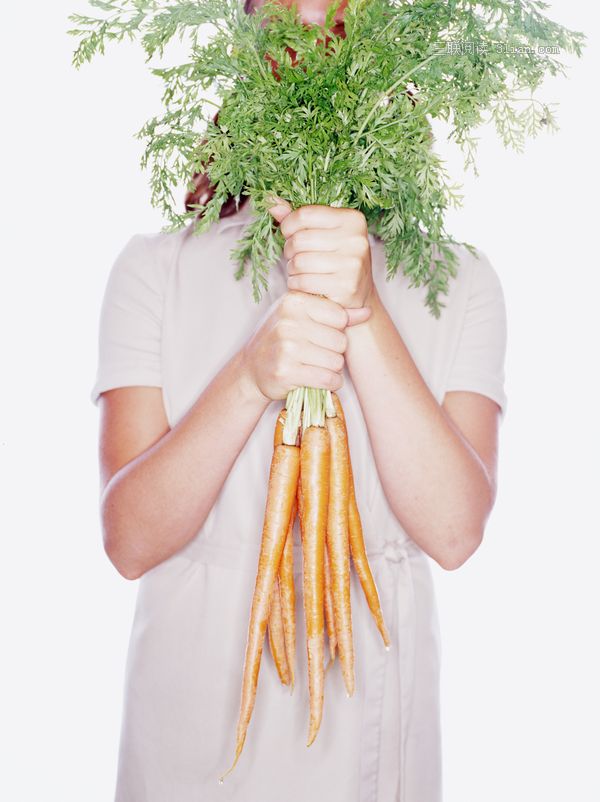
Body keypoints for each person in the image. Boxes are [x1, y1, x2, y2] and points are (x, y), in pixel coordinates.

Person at [90, 1, 508, 800]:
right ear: (243, 60)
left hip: (375, 721)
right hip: (194, 717)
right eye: (283, 32)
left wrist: (364, 309)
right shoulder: (154, 270)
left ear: (393, 66)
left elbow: (455, 533)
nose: (311, 62)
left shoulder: (462, 281)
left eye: (342, 35)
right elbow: (128, 541)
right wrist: (251, 376)